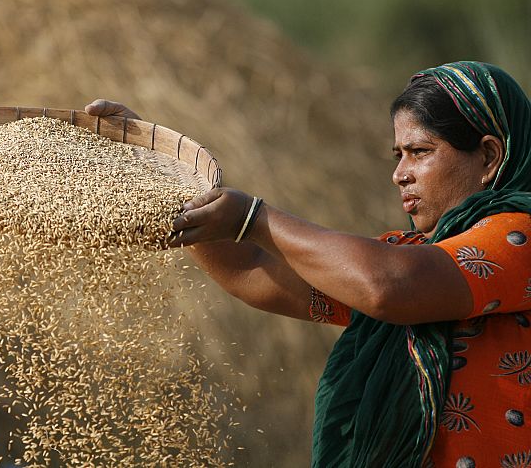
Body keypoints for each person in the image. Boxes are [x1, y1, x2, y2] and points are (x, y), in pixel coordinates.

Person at [86, 61, 531, 467]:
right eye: (399, 156)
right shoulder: (407, 253)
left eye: (420, 152)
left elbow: (387, 288)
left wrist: (255, 217)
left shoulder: (518, 237)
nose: (400, 174)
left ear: (489, 156)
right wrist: (162, 169)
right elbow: (251, 271)